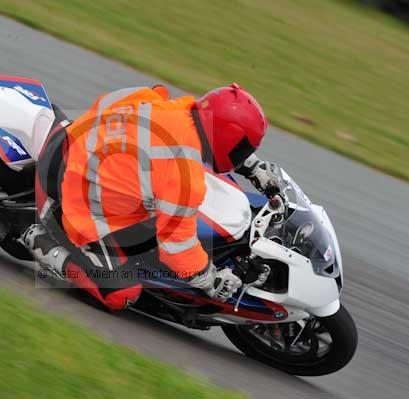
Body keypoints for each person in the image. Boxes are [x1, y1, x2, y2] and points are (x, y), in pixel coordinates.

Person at [22, 83, 279, 311]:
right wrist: (210, 280)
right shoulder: (182, 174)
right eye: (244, 149)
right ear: (227, 137)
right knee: (122, 294)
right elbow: (176, 249)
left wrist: (253, 167)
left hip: (71, 140)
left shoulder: (174, 108)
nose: (244, 154)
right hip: (70, 198)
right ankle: (44, 242)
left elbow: (107, 102)